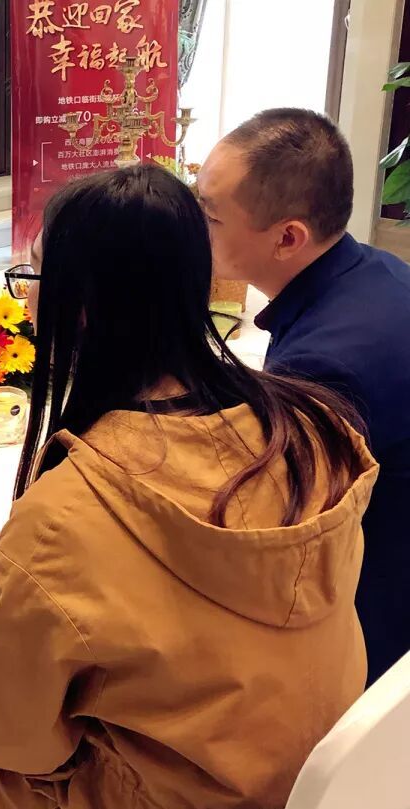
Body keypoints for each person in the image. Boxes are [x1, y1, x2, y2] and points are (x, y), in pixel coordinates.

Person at [0, 166, 378, 809]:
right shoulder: (311, 426)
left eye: (35, 279)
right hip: (303, 770)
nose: (27, 301)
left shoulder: (69, 511)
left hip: (171, 794)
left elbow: (5, 738)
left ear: (81, 308)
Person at [198, 108, 410, 683]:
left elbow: (279, 537)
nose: (196, 227)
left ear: (288, 238)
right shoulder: (379, 271)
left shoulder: (325, 365)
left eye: (210, 216)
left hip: (371, 631)